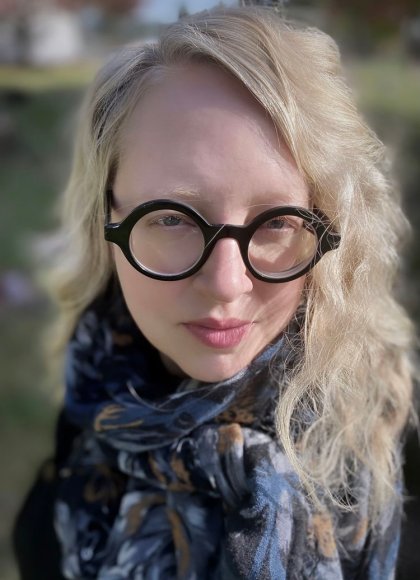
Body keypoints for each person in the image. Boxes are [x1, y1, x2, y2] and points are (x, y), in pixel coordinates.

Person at [13, 5, 415, 579]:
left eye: (278, 222)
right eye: (172, 218)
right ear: (105, 221)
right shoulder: (92, 412)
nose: (227, 284)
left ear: (332, 226)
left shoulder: (396, 453)